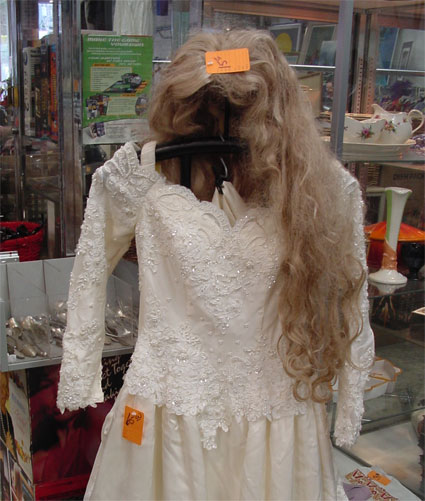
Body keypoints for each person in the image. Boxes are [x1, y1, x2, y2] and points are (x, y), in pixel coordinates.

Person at [57, 30, 374, 500]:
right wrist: (79, 370)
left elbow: (351, 299)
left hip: (275, 411)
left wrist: (350, 398)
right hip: (168, 409)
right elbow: (89, 271)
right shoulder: (138, 175)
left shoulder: (322, 191)